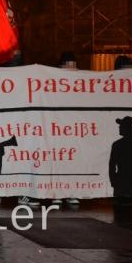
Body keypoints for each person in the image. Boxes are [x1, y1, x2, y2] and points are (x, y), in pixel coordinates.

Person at [53, 52, 80, 207]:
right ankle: (57, 193)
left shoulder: (81, 83)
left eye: (74, 66)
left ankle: (71, 193)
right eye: (68, 66)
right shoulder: (53, 82)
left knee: (73, 163)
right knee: (58, 161)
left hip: (74, 130)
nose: (71, 69)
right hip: (58, 130)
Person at [109, 116, 132, 206]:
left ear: (127, 128)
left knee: (120, 214)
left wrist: (114, 181)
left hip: (120, 184)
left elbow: (112, 165)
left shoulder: (117, 144)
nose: (119, 127)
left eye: (121, 125)